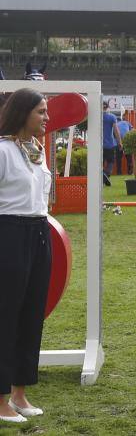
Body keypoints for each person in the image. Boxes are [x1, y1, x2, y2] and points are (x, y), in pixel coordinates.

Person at [0, 88, 52, 424]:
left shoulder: (37, 152)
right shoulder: (3, 152)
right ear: (23, 114)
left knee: (32, 315)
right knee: (6, 316)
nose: (47, 118)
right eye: (41, 112)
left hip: (39, 232)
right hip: (8, 233)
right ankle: (1, 399)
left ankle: (20, 392)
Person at [102, 101, 122, 186]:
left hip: (98, 145)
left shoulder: (95, 117)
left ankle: (103, 176)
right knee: (111, 162)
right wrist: (120, 142)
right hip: (110, 144)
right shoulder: (112, 117)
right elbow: (116, 131)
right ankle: (106, 175)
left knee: (100, 163)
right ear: (107, 107)